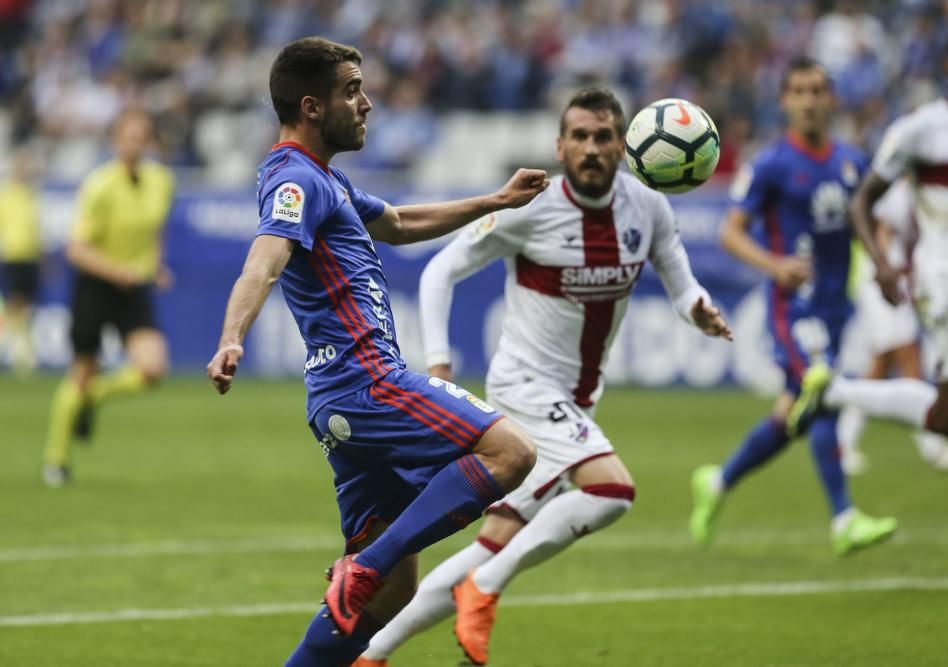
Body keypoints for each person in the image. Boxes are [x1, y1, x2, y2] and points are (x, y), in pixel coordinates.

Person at [355, 88, 732, 667]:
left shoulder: (649, 208)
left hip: (578, 401)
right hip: (524, 388)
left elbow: (683, 287)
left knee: (491, 542)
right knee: (613, 492)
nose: (590, 148)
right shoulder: (531, 209)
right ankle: (487, 590)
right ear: (559, 145)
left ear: (625, 145)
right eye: (578, 136)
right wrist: (438, 362)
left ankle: (371, 654)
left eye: (603, 136)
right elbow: (439, 271)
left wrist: (700, 309)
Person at [205, 37, 546, 667]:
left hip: (340, 404)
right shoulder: (294, 179)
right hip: (368, 385)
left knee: (392, 596)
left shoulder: (325, 180)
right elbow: (263, 260)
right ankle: (362, 566)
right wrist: (232, 336)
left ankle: (366, 575)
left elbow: (398, 223)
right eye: (352, 90)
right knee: (511, 452)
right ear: (312, 107)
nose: (367, 104)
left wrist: (493, 201)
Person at [689, 57, 904, 557]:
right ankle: (844, 518)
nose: (809, 100)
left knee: (795, 416)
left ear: (831, 99)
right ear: (785, 100)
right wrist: (774, 265)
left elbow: (868, 221)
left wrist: (882, 259)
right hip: (794, 306)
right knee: (822, 389)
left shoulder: (850, 161)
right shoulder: (770, 164)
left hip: (835, 304)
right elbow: (730, 233)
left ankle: (718, 483)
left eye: (818, 90)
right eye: (800, 91)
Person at [846, 19, 948, 524]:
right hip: (946, 283)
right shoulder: (920, 129)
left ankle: (833, 394)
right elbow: (862, 202)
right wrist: (884, 264)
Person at [42, 109, 174, 488]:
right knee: (81, 371)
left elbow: (156, 230)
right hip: (96, 286)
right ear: (116, 141)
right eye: (127, 137)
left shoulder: (161, 181)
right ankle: (56, 460)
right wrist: (118, 270)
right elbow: (76, 250)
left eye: (140, 137)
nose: (134, 144)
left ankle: (89, 400)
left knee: (152, 368)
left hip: (133, 287)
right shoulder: (99, 185)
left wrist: (157, 265)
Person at [838, 180, 948, 475]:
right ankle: (933, 443)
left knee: (882, 363)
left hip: (895, 279)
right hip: (882, 279)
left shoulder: (923, 188)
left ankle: (842, 439)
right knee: (909, 355)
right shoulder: (898, 191)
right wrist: (883, 268)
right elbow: (881, 229)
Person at [0, 149, 43, 376]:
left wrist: (42, 256)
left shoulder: (31, 196)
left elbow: (36, 230)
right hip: (13, 254)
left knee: (25, 305)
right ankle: (16, 350)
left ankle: (20, 347)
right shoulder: (5, 196)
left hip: (31, 257)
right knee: (15, 302)